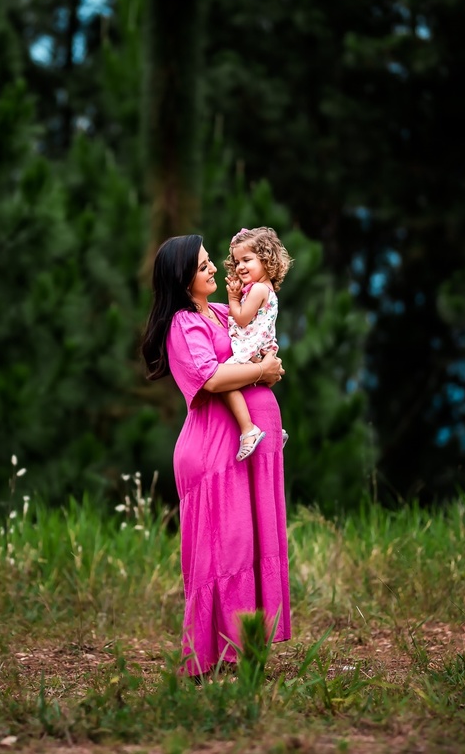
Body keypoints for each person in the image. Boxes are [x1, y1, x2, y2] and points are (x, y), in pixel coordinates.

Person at [141, 234, 292, 678]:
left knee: (250, 545)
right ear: (183, 277)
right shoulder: (183, 325)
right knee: (225, 549)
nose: (214, 270)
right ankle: (211, 655)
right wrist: (261, 370)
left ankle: (246, 647)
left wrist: (269, 362)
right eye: (205, 265)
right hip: (213, 451)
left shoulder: (222, 312)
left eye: (212, 263)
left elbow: (253, 335)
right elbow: (211, 377)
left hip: (247, 448)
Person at [221, 226, 292, 459]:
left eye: (247, 260)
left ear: (265, 259)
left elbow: (241, 319)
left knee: (226, 382)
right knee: (249, 389)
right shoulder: (264, 288)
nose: (241, 266)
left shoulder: (259, 289)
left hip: (252, 345)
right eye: (237, 261)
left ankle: (248, 429)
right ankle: (272, 430)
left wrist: (232, 298)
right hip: (261, 347)